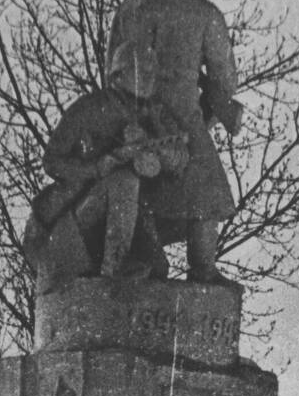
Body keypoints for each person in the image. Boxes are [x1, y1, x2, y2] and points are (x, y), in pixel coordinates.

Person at [105, 0, 243, 283]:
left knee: (139, 196)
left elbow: (111, 70)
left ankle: (146, 260)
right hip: (184, 119)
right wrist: (209, 115)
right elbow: (227, 81)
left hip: (130, 118)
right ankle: (203, 270)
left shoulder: (131, 6)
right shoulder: (205, 13)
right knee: (209, 194)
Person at [22, 44, 188, 295]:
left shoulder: (156, 113)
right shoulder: (90, 107)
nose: (149, 76)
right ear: (118, 75)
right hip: (76, 222)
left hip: (133, 214)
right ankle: (114, 269)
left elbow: (179, 157)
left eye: (152, 70)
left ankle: (124, 264)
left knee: (157, 269)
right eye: (141, 70)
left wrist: (156, 155)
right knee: (124, 181)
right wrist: (98, 167)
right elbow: (52, 161)